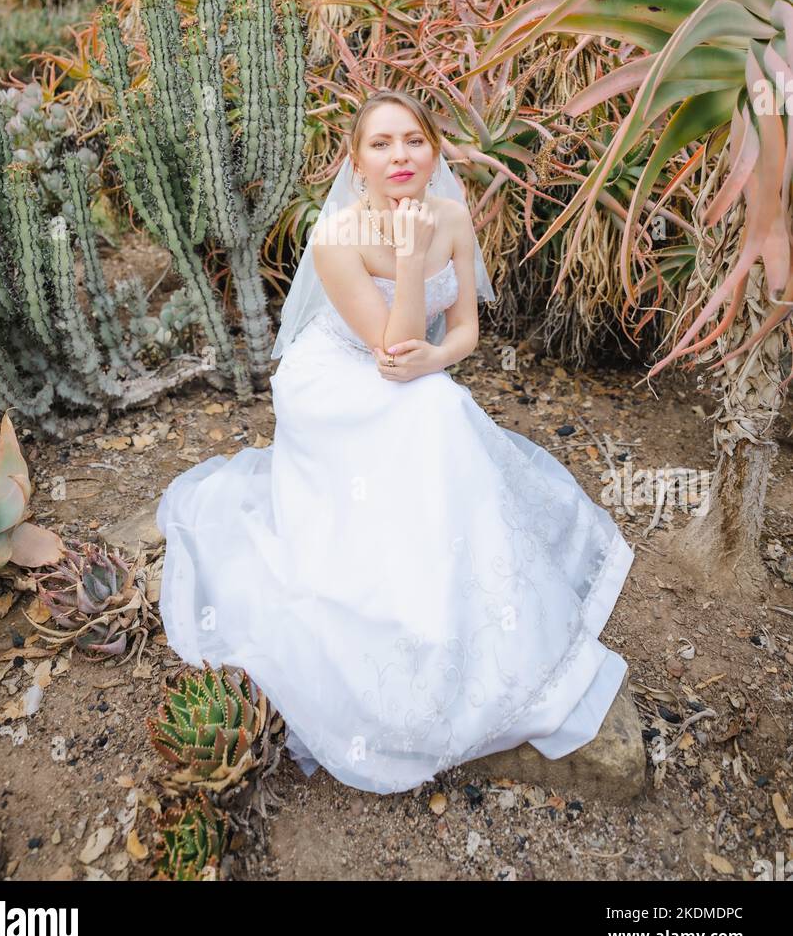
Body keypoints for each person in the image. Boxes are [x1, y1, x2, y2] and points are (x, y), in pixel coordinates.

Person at [156, 89, 634, 795]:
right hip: (332, 379)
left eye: (413, 140)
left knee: (438, 407)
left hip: (411, 369)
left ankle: (475, 593)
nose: (400, 155)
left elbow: (464, 329)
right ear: (357, 163)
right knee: (436, 414)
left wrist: (437, 361)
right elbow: (392, 343)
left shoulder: (452, 216)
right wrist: (410, 265)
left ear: (434, 150)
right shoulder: (336, 238)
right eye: (380, 144)